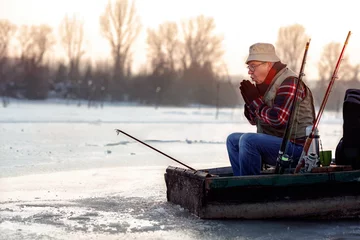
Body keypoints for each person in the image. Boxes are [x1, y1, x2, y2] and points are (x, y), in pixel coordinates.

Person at [226, 42, 315, 176]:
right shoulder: (265, 85)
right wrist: (250, 102)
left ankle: (250, 188)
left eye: (253, 66)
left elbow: (278, 119)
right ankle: (240, 183)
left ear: (268, 65)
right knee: (232, 140)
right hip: (279, 146)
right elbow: (254, 121)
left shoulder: (290, 82)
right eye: (248, 67)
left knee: (248, 141)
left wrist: (255, 101)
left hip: (298, 150)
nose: (249, 71)